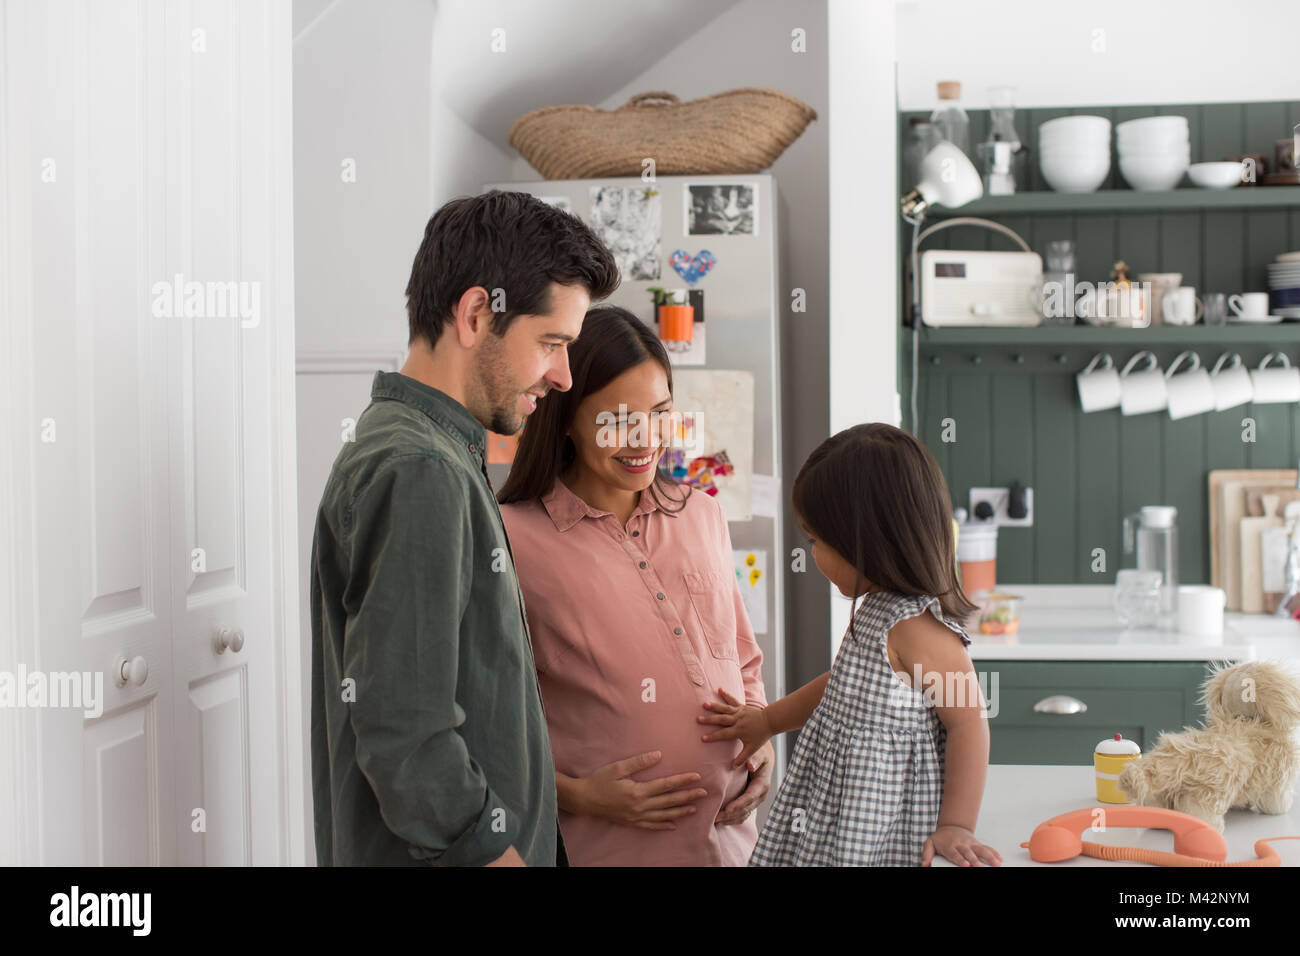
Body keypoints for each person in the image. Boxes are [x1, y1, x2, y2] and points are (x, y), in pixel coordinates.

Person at [309, 191, 619, 866]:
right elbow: (406, 732)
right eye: (552, 343)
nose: (564, 376)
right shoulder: (421, 469)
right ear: (477, 314)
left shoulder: (431, 450)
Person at [497, 306, 772, 866]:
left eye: (661, 413)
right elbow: (488, 715)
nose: (647, 438)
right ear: (566, 418)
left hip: (731, 848)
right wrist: (575, 796)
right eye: (619, 420)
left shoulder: (703, 514)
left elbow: (741, 658)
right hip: (608, 848)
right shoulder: (511, 538)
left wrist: (762, 734)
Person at [699, 423, 1002, 867]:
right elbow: (841, 683)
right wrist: (768, 720)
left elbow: (969, 723)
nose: (812, 553)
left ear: (865, 543)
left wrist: (957, 824)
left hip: (883, 826)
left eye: (815, 541)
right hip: (839, 811)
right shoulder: (878, 609)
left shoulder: (918, 629)